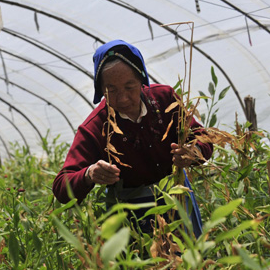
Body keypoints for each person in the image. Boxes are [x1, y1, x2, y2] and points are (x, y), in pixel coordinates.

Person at [52, 40, 213, 233]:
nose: (122, 98)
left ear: (142, 81)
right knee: (146, 262)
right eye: (111, 90)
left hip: (178, 199)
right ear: (100, 90)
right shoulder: (95, 127)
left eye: (130, 87)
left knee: (189, 257)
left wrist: (194, 152)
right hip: (133, 217)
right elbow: (62, 186)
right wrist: (89, 174)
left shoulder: (165, 99)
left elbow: (202, 137)